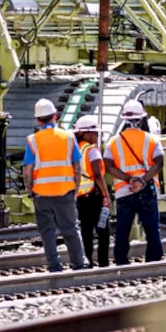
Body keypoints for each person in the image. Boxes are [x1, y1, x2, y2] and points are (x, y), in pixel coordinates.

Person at [22, 99, 88, 272]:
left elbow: (27, 170)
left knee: (47, 232)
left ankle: (54, 265)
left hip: (41, 193)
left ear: (37, 120)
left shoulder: (32, 140)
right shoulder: (68, 137)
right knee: (70, 229)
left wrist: (30, 192)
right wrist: (75, 188)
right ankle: (78, 263)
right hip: (64, 191)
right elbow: (77, 167)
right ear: (55, 116)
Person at [105, 100, 165, 265]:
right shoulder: (151, 139)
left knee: (122, 230)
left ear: (124, 119)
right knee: (151, 228)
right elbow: (159, 162)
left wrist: (128, 179)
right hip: (146, 190)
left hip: (124, 191)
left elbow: (108, 166)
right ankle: (153, 262)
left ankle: (121, 261)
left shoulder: (113, 141)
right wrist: (142, 181)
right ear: (141, 119)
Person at [73, 114, 112, 267]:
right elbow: (97, 174)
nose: (97, 135)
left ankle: (87, 261)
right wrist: (106, 195)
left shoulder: (78, 149)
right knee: (103, 230)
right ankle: (103, 262)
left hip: (81, 197)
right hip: (95, 196)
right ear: (86, 133)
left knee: (86, 231)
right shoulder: (92, 150)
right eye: (95, 132)